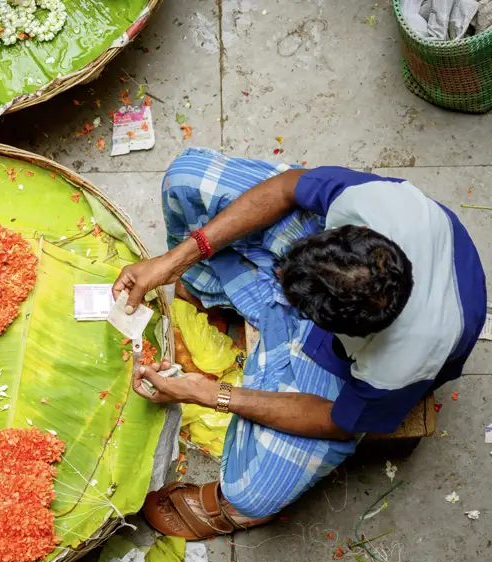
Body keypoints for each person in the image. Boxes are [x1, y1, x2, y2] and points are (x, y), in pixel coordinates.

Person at [113, 149, 486, 539]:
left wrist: (213, 394)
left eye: (297, 305)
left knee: (251, 495)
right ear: (347, 235)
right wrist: (175, 260)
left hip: (357, 363)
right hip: (353, 284)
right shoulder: (382, 207)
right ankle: (218, 278)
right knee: (186, 178)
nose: (277, 276)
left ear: (337, 330)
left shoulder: (400, 363)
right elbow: (288, 188)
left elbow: (336, 422)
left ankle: (236, 506)